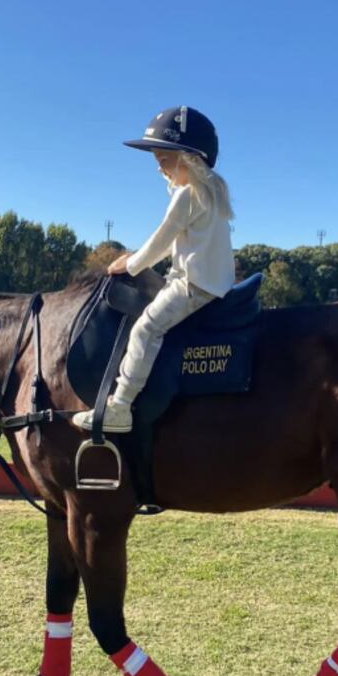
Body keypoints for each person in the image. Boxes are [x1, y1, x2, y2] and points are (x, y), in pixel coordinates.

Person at [73, 106, 235, 433]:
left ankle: (120, 406)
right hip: (214, 282)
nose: (159, 167)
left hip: (193, 284)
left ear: (188, 157)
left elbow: (161, 242)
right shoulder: (214, 190)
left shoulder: (186, 196)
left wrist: (129, 264)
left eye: (164, 158)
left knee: (146, 328)